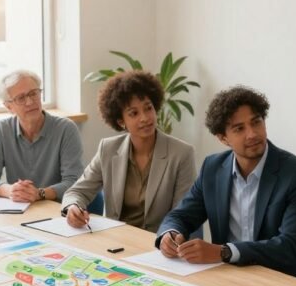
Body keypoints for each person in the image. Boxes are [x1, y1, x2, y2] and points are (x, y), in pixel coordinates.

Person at [155, 86, 296, 281]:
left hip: (283, 279)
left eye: (256, 122)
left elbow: (289, 246)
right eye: (239, 129)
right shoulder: (212, 168)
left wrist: (224, 252)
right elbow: (181, 215)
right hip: (230, 277)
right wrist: (170, 234)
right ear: (223, 138)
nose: (252, 134)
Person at [61, 70, 195, 232]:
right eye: (134, 113)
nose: (145, 118)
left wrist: (170, 237)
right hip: (115, 239)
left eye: (148, 108)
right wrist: (73, 207)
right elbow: (77, 192)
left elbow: (184, 213)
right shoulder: (108, 149)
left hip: (158, 243)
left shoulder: (181, 153)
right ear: (121, 121)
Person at [0, 70, 84, 203]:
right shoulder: (2, 129)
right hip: (20, 210)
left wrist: (39, 193)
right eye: (21, 98)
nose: (29, 102)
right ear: (9, 106)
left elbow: (74, 181)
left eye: (33, 93)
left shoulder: (66, 129)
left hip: (58, 210)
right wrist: (10, 191)